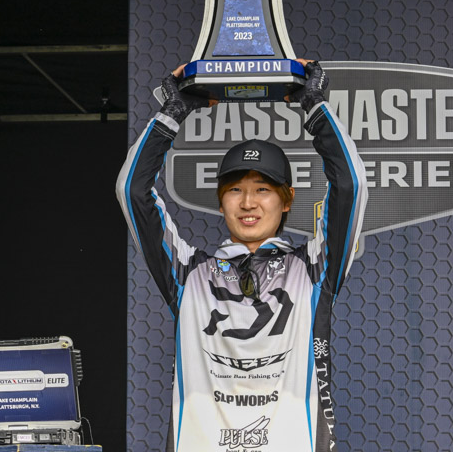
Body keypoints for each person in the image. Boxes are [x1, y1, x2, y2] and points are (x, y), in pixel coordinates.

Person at [116, 60, 367, 452]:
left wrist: (315, 106)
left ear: (287, 200)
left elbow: (350, 184)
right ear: (220, 202)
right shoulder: (187, 274)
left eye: (263, 189)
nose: (248, 202)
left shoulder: (315, 270)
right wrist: (172, 113)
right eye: (234, 189)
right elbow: (133, 190)